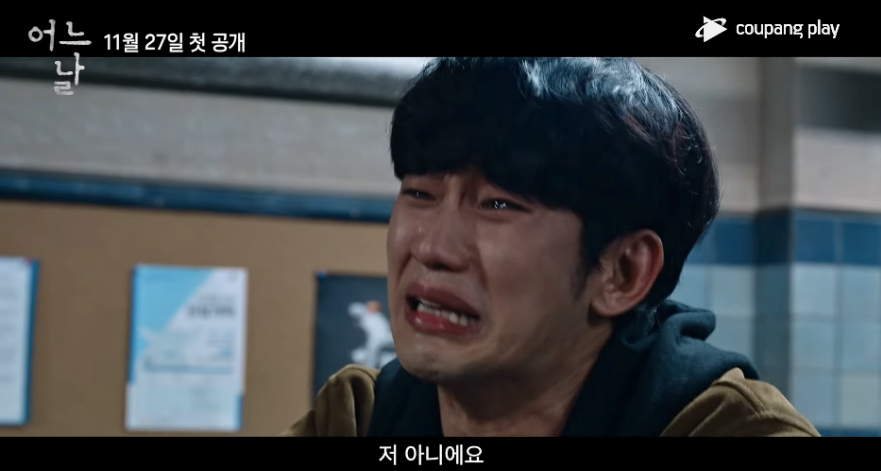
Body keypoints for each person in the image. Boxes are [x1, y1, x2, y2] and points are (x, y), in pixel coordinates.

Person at [283, 57, 819, 437]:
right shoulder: (359, 417)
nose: (432, 247)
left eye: (498, 204)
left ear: (623, 272)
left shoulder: (729, 427)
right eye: (420, 193)